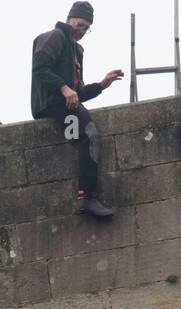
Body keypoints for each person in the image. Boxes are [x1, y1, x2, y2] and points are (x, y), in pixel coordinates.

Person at [31, 2, 124, 218]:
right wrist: (64, 89)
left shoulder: (76, 49)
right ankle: (87, 198)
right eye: (79, 24)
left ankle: (86, 196)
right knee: (89, 136)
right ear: (69, 19)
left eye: (86, 28)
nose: (81, 31)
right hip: (51, 104)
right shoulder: (54, 36)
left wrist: (101, 85)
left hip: (65, 104)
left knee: (83, 137)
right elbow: (40, 69)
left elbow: (78, 92)